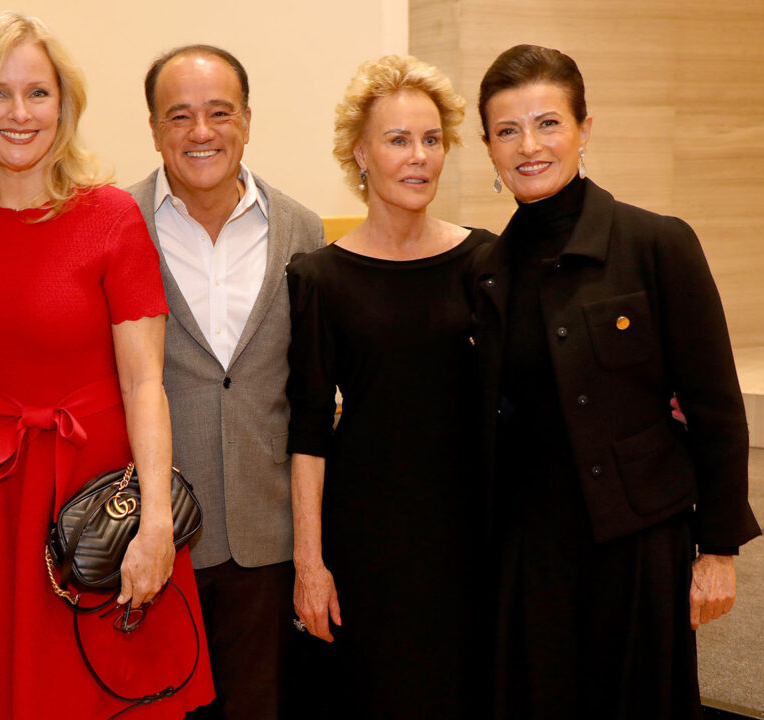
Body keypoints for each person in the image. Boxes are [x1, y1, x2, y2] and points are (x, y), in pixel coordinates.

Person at [0, 12, 212, 719]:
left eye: (38, 93)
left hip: (101, 501)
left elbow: (145, 383)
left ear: (64, 104)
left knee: (112, 694)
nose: (20, 114)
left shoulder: (109, 217)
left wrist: (157, 523)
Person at [472, 44, 760, 719]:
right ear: (487, 147)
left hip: (637, 548)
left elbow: (717, 408)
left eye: (548, 123)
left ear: (584, 128)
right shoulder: (485, 269)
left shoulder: (657, 244)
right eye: (507, 130)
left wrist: (717, 549)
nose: (528, 146)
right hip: (529, 550)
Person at [285, 55, 497, 717]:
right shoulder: (320, 277)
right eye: (398, 139)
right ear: (360, 153)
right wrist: (309, 563)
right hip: (366, 538)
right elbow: (309, 429)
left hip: (471, 532)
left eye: (431, 139)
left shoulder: (486, 260)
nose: (418, 157)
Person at [128, 45, 324, 720]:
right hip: (155, 535)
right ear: (154, 130)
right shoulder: (114, 225)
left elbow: (310, 392)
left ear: (247, 119)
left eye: (219, 112)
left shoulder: (303, 230)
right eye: (179, 116)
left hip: (265, 530)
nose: (201, 132)